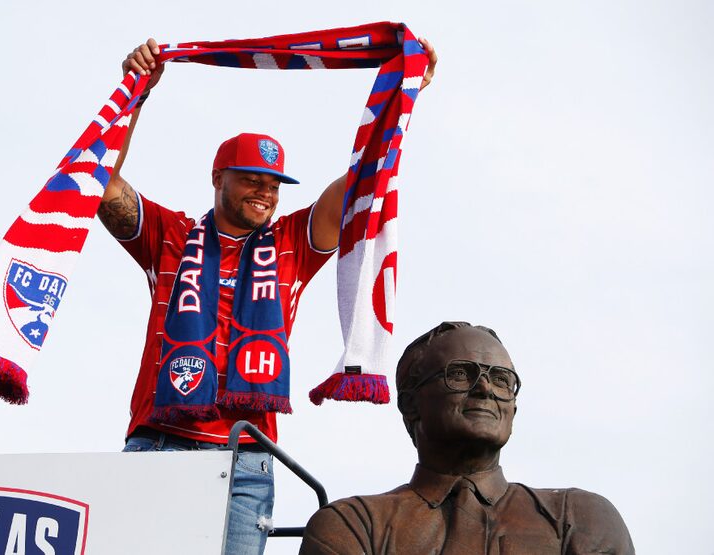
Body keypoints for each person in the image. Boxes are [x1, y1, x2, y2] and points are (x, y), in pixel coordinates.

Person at [97, 38, 438, 555]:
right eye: (250, 180)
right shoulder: (171, 237)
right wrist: (136, 95)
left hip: (246, 460)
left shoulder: (291, 245)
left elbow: (363, 180)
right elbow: (98, 184)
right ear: (218, 179)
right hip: (158, 443)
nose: (264, 193)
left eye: (274, 185)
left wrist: (402, 97)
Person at [300, 322, 635, 554]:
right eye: (460, 374)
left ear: (514, 409)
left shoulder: (578, 518)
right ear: (410, 402)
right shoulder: (354, 526)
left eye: (502, 380)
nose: (486, 388)